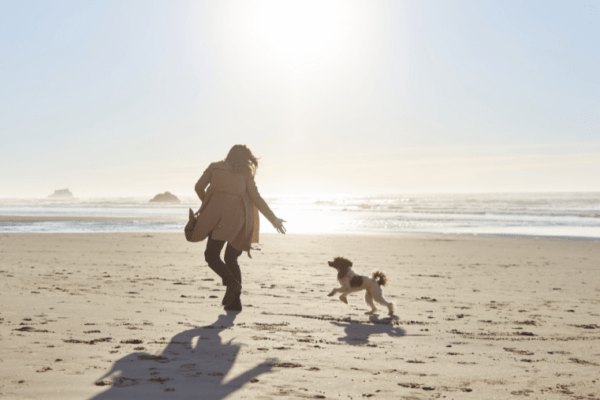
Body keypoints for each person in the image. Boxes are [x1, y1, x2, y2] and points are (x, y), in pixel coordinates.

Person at [192, 145, 286, 311]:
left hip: (219, 219)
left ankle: (232, 283)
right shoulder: (245, 173)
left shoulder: (214, 167)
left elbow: (199, 187)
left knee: (211, 255)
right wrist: (274, 220)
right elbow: (256, 198)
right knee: (231, 258)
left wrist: (210, 203)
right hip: (241, 221)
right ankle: (235, 302)